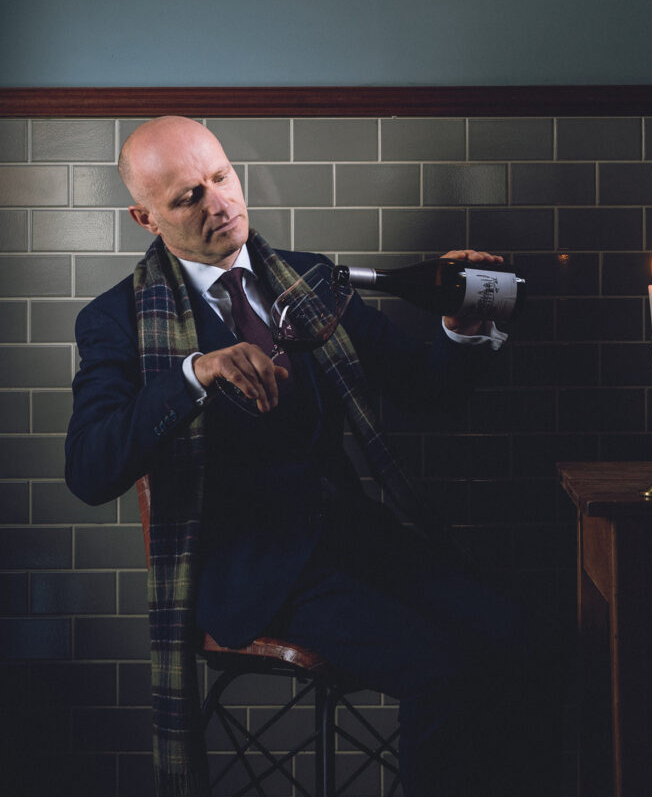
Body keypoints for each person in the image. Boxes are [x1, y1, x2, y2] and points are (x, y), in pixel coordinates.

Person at [67, 116, 560, 797]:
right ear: (145, 217)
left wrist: (458, 331)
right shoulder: (115, 319)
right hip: (257, 574)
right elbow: (89, 471)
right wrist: (193, 374)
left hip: (359, 539)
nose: (219, 203)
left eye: (221, 177)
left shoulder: (307, 280)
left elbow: (420, 389)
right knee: (441, 671)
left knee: (522, 633)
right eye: (188, 198)